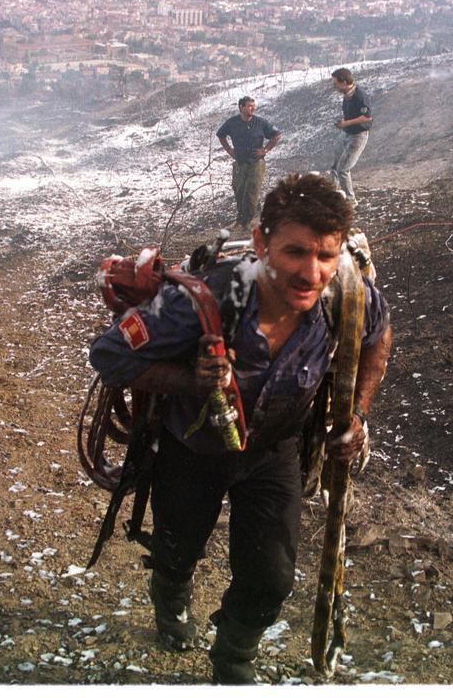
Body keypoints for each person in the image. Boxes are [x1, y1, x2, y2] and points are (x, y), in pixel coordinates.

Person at [88, 173, 393, 684]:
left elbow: (378, 339)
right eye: (294, 252)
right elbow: (110, 353)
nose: (310, 271)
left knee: (272, 578)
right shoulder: (202, 300)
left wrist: (357, 413)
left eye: (324, 256)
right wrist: (189, 380)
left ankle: (233, 658)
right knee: (176, 547)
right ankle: (171, 596)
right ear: (260, 243)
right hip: (194, 447)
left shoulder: (348, 293)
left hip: (275, 451)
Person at [216, 96, 282, 231]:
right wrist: (229, 149)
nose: (253, 108)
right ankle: (240, 220)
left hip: (256, 163)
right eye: (250, 106)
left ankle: (247, 221)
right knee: (239, 190)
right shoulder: (232, 122)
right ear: (241, 107)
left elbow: (277, 135)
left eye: (254, 105)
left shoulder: (261, 123)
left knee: (252, 192)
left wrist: (265, 150)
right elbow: (220, 134)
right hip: (240, 162)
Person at [328, 67, 373, 207]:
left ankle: (351, 201)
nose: (334, 87)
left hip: (358, 135)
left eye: (336, 84)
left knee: (343, 169)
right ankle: (332, 194)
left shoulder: (360, 96)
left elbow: (367, 117)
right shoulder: (347, 95)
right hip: (346, 132)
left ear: (345, 82)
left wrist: (346, 123)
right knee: (335, 166)